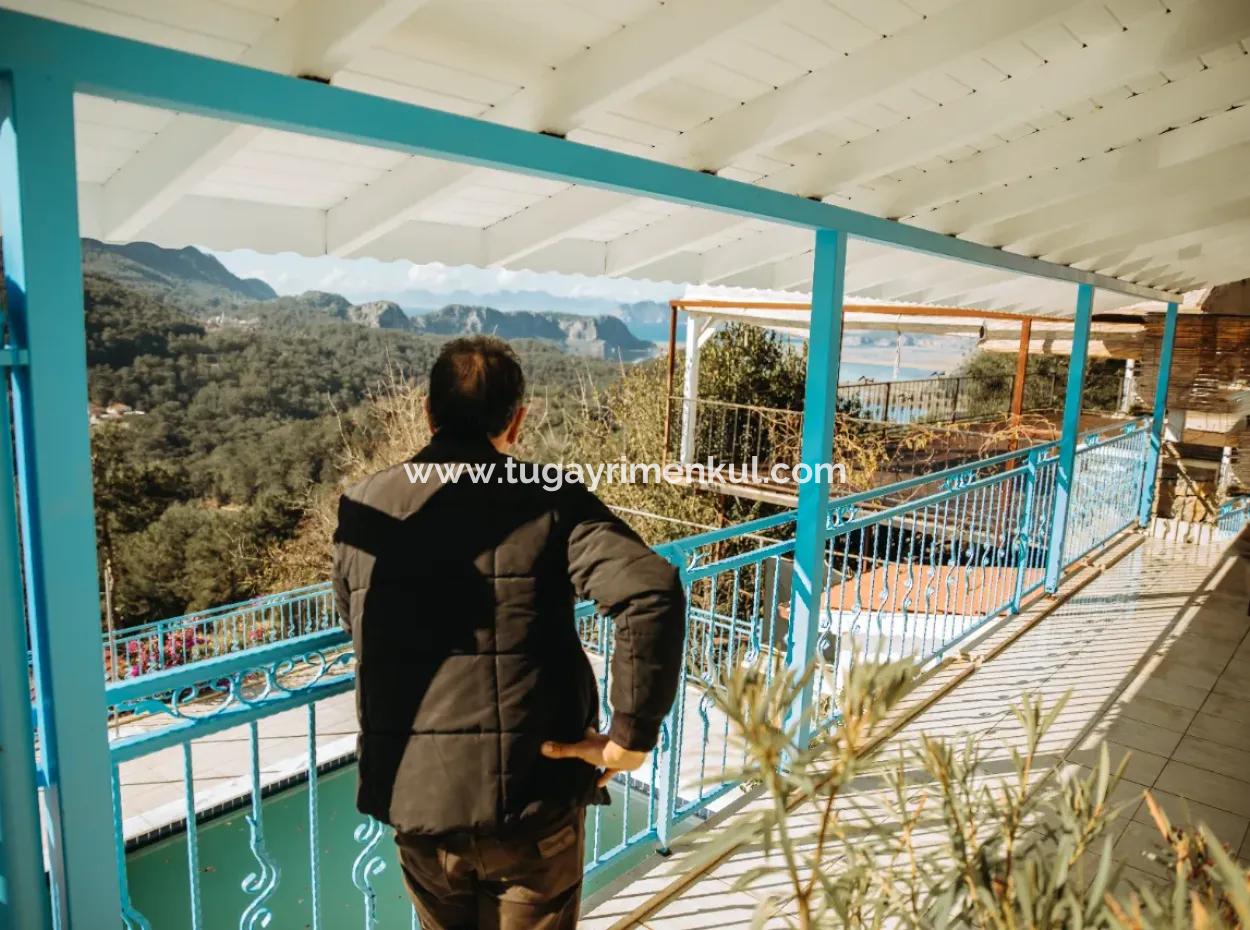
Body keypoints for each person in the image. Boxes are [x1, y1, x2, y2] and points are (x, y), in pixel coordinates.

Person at [331, 335, 686, 930]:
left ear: (428, 410)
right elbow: (650, 592)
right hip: (531, 804)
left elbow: (358, 621)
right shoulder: (550, 499)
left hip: (418, 807)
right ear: (516, 420)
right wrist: (632, 736)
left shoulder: (362, 504)